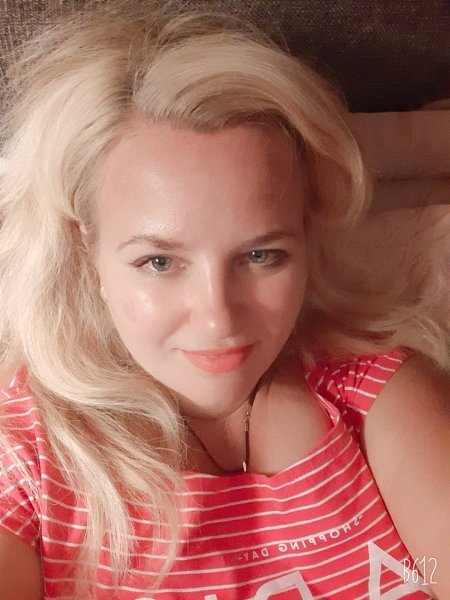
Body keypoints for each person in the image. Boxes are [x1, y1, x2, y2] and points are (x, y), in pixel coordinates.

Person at [0, 2, 448, 599]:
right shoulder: (25, 455)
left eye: (261, 255)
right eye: (159, 262)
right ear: (88, 250)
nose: (219, 318)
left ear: (307, 236)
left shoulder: (377, 399)